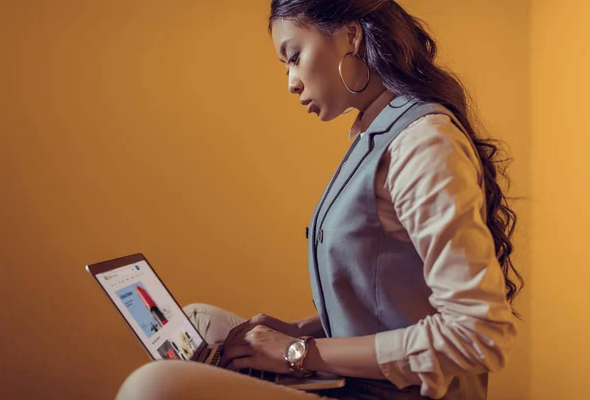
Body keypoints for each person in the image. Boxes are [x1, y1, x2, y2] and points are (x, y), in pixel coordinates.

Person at [116, 0, 524, 399]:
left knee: (151, 387)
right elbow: (386, 303)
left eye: (293, 56)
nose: (291, 81)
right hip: (352, 382)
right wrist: (299, 331)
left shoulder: (423, 143)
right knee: (200, 322)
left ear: (350, 36)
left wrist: (298, 353)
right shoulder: (376, 131)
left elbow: (477, 332)